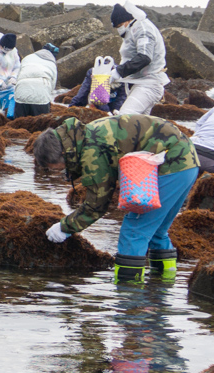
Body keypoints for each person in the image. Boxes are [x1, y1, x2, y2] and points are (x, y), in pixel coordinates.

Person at [33, 114, 200, 284]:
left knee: (134, 230)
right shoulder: (83, 135)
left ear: (61, 154)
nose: (56, 172)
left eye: (53, 168)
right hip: (188, 162)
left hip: (173, 165)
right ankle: (163, 286)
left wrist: (65, 227)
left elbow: (97, 204)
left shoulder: (90, 151)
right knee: (157, 232)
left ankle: (128, 296)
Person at [108, 3, 168, 117]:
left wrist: (119, 72)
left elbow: (144, 57)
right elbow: (130, 57)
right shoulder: (133, 30)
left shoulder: (143, 29)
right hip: (140, 84)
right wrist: (118, 76)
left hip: (149, 85)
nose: (119, 29)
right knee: (140, 126)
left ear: (128, 20)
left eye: (120, 25)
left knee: (125, 117)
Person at [13, 43, 59, 118]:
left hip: (21, 93)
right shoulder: (52, 64)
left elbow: (18, 75)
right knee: (40, 125)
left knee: (19, 124)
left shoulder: (27, 58)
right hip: (40, 96)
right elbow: (52, 85)